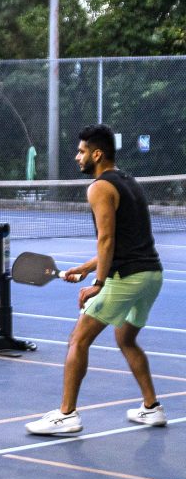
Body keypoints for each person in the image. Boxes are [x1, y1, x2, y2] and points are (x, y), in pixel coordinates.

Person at [26, 123, 166, 435]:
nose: (77, 157)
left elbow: (107, 239)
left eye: (81, 151)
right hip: (151, 275)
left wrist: (98, 284)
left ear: (97, 153)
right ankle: (151, 408)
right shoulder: (129, 181)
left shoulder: (99, 187)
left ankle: (67, 414)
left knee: (79, 339)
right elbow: (122, 241)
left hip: (126, 278)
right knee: (125, 338)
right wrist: (88, 268)